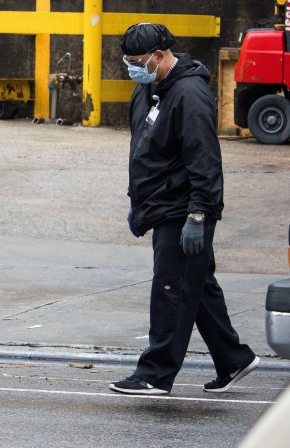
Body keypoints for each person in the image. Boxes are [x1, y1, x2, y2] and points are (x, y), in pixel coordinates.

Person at [110, 22, 259, 396]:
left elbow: (204, 160)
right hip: (161, 204)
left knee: (171, 289)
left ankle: (155, 374)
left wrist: (198, 215)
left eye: (135, 61)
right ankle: (234, 359)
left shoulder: (189, 94)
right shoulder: (149, 88)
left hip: (183, 210)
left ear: (159, 56)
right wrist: (136, 201)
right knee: (197, 286)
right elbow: (143, 149)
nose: (131, 68)